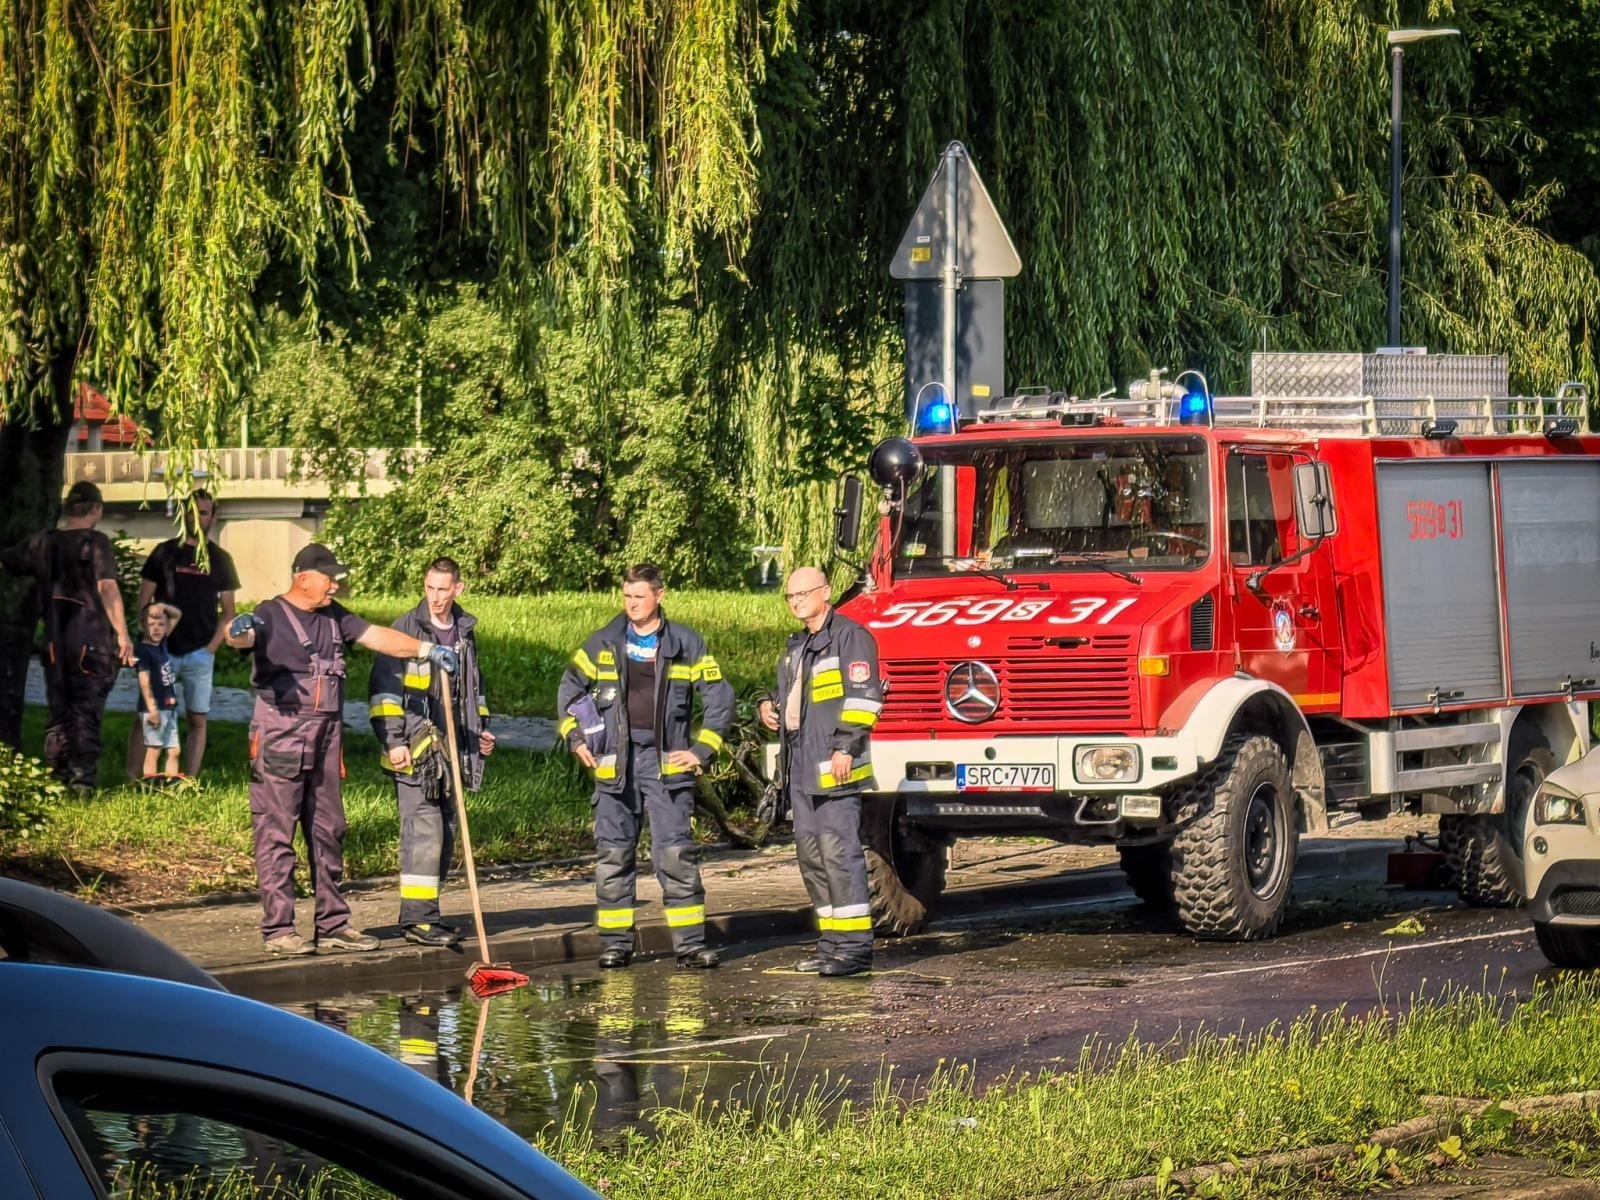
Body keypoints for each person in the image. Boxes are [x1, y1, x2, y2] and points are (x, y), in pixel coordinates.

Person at [223, 543, 459, 957]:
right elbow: (240, 638)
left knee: (328, 830)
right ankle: (279, 930)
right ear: (303, 578)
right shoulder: (270, 613)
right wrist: (237, 629)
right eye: (329, 577)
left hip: (327, 740)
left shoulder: (335, 616)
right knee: (277, 834)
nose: (336, 583)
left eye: (337, 577)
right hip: (280, 738)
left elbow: (378, 637)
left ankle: (333, 925)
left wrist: (426, 650)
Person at [555, 562, 734, 969]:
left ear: (659, 595)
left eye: (639, 597)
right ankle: (616, 945)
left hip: (666, 762)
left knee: (675, 856)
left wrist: (701, 751)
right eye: (626, 597)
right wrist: (576, 737)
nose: (631, 604)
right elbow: (569, 690)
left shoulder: (686, 643)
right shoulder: (603, 641)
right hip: (615, 761)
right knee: (614, 856)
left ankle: (688, 946)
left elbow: (720, 699)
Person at [757, 567, 883, 977]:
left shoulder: (850, 637)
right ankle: (831, 944)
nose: (796, 601)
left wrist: (846, 747)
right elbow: (792, 698)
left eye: (803, 593)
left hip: (835, 766)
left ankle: (855, 948)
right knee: (812, 858)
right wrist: (767, 705)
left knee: (839, 854)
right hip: (801, 767)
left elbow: (865, 700)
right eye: (790, 596)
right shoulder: (798, 645)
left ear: (826, 593)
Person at [367, 557, 495, 947]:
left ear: (458, 588)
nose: (436, 598)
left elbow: (474, 690)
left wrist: (482, 732)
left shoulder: (463, 631)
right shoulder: (405, 630)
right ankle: (418, 921)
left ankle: (427, 914)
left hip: (451, 751)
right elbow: (384, 694)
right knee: (424, 832)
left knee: (445, 834)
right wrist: (394, 741)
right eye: (429, 588)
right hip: (416, 750)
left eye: (443, 589)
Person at [0, 481, 135, 792]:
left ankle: (58, 776)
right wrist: (123, 635)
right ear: (97, 509)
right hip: (91, 637)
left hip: (55, 642)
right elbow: (107, 587)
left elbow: (7, 559)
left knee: (59, 709)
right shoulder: (95, 542)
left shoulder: (42, 543)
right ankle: (82, 779)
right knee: (86, 709)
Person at [127, 489, 238, 779]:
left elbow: (228, 612)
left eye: (203, 512)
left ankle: (188, 781)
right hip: (163, 652)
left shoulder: (221, 558)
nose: (197, 517)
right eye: (191, 511)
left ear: (212, 518)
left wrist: (211, 648)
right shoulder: (164, 552)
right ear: (182, 513)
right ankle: (133, 780)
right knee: (147, 717)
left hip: (200, 653)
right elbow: (143, 603)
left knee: (197, 720)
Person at [134, 601, 184, 783]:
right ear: (142, 625)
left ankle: (170, 784)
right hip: (154, 708)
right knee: (154, 749)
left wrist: (161, 606)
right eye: (151, 624)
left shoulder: (162, 643)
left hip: (169, 706)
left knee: (174, 750)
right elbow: (144, 681)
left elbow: (177, 614)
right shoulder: (143, 650)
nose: (157, 629)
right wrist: (152, 709)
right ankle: (150, 784)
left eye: (161, 624)